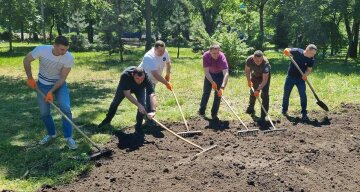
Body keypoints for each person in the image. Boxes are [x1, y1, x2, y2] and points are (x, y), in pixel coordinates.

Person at [23, 35, 77, 149]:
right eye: (62, 49)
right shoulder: (41, 50)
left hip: (59, 85)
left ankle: (68, 138)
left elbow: (62, 78)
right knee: (44, 113)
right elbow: (26, 60)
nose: (64, 52)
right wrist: (30, 78)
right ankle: (51, 134)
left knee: (65, 108)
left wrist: (51, 91)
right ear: (54, 46)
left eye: (66, 49)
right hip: (42, 85)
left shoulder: (68, 58)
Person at [98, 66, 156, 134]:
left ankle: (138, 126)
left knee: (142, 104)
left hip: (140, 89)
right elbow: (127, 94)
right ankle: (107, 121)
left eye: (142, 78)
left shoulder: (146, 77)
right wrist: (138, 105)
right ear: (132, 75)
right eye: (137, 78)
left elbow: (152, 94)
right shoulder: (125, 76)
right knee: (115, 102)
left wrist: (153, 110)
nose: (140, 81)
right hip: (125, 88)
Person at [139, 40, 172, 125]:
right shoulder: (149, 57)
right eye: (160, 51)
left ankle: (147, 117)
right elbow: (155, 74)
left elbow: (168, 63)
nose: (162, 53)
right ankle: (149, 120)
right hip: (143, 78)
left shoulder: (164, 52)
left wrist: (168, 75)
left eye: (163, 50)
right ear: (155, 49)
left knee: (150, 96)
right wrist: (166, 83)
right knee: (149, 97)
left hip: (153, 79)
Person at [282, 44, 317, 121]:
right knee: (286, 94)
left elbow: (309, 69)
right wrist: (286, 51)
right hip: (290, 77)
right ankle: (284, 110)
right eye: (312, 53)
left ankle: (304, 112)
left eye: (314, 54)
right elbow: (287, 50)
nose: (313, 55)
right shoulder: (297, 51)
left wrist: (306, 74)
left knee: (303, 95)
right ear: (307, 50)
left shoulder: (311, 59)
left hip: (300, 79)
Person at [199, 44, 229, 121]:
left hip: (219, 75)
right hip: (209, 74)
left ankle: (214, 114)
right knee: (206, 93)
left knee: (218, 95)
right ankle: (201, 112)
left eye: (218, 53)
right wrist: (212, 82)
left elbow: (226, 73)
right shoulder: (206, 56)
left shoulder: (222, 57)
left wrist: (222, 87)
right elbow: (206, 72)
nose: (216, 55)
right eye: (214, 53)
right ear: (210, 52)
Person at [245, 50, 271, 122]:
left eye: (260, 60)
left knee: (265, 95)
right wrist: (249, 80)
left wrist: (258, 90)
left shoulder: (266, 64)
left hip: (265, 77)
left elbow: (264, 80)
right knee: (252, 92)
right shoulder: (249, 60)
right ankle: (251, 108)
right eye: (257, 61)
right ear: (253, 58)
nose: (258, 62)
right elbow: (247, 70)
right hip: (255, 75)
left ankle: (263, 115)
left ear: (262, 58)